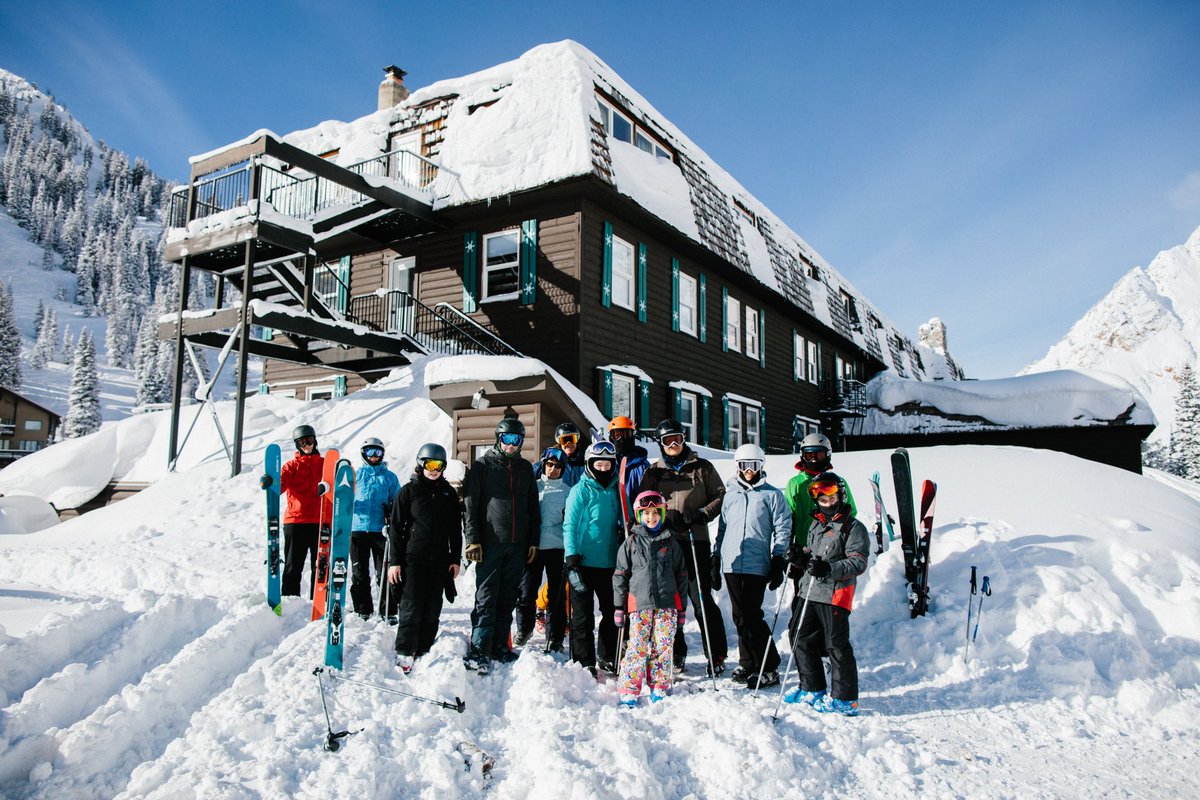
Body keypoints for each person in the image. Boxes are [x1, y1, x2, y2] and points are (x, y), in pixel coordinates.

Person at [637, 418, 728, 676]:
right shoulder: (654, 472)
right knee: (669, 601)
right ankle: (675, 651)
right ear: (661, 444)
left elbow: (720, 496)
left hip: (694, 539)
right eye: (667, 440)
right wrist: (665, 517)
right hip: (666, 542)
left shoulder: (702, 467)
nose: (673, 444)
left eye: (677, 438)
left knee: (700, 599)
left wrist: (701, 514)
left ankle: (716, 653)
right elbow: (644, 504)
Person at [782, 472, 869, 715]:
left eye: (831, 494)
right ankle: (812, 687)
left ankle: (844, 699)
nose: (826, 500)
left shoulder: (853, 527)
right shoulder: (816, 524)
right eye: (820, 495)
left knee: (835, 645)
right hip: (809, 591)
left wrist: (829, 569)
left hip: (835, 593)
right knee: (799, 637)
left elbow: (858, 562)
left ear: (840, 494)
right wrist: (799, 557)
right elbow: (811, 554)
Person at [462, 417, 541, 673]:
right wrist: (472, 539)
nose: (512, 444)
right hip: (490, 543)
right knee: (486, 597)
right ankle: (479, 649)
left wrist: (532, 541)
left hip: (517, 545)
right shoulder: (483, 466)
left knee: (508, 597)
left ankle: (499, 647)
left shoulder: (525, 468)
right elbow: (471, 505)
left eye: (517, 440)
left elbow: (532, 507)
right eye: (507, 438)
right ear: (499, 438)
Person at [711, 443, 791, 689]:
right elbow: (723, 528)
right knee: (739, 615)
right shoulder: (730, 495)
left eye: (753, 466)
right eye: (744, 465)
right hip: (732, 564)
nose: (748, 470)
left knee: (751, 615)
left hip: (757, 563)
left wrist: (779, 559)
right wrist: (716, 557)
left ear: (761, 467)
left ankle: (768, 664)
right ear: (737, 466)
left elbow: (783, 528)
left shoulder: (772, 495)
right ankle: (747, 662)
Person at [387, 443, 463, 673]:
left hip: (439, 560)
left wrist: (455, 559)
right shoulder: (408, 491)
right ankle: (405, 650)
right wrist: (395, 562)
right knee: (412, 605)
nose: (434, 470)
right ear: (421, 464)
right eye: (429, 464)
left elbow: (454, 529)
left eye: (439, 465)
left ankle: (425, 648)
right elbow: (396, 528)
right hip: (414, 559)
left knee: (433, 606)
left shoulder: (449, 493)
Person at [613, 490, 689, 706]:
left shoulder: (671, 543)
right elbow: (620, 575)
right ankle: (629, 687)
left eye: (656, 513)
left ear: (662, 514)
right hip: (639, 604)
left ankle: (659, 685)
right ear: (639, 515)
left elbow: (681, 575)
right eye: (646, 513)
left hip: (667, 605)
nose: (651, 517)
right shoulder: (631, 543)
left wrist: (681, 607)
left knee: (663, 648)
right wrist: (619, 606)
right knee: (637, 647)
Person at [563, 440, 623, 676]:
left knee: (611, 612)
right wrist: (571, 559)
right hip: (584, 562)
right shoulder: (581, 490)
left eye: (607, 465)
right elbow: (570, 525)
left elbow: (625, 518)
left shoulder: (617, 489)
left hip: (610, 562)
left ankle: (608, 655)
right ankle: (584, 660)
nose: (603, 469)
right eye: (598, 464)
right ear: (589, 464)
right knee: (582, 616)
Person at [514, 446, 570, 650]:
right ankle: (524, 629)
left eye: (557, 466)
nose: (553, 469)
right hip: (534, 547)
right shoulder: (533, 487)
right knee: (526, 590)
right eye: (549, 465)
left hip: (558, 548)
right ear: (543, 465)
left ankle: (555, 637)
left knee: (556, 594)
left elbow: (570, 522)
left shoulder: (567, 492)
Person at [350, 436, 401, 618]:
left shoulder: (389, 478)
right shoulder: (356, 476)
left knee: (384, 574)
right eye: (370, 452)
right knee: (360, 573)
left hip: (381, 531)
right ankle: (363, 610)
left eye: (377, 452)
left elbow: (398, 502)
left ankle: (388, 610)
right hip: (358, 530)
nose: (374, 456)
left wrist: (392, 511)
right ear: (363, 454)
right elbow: (345, 498)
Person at [783, 433, 857, 551]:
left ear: (827, 454)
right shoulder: (796, 484)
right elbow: (787, 516)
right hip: (803, 546)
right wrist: (788, 545)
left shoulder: (837, 482)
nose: (813, 460)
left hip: (832, 546)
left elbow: (851, 511)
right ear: (802, 456)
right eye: (809, 455)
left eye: (819, 455)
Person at [275, 424, 323, 597]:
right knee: (293, 565)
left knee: (320, 566)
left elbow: (339, 485)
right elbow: (278, 487)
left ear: (314, 440)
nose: (306, 445)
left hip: (319, 521)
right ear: (297, 445)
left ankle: (318, 601)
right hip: (296, 522)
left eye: (309, 440)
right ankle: (290, 600)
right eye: (302, 442)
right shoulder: (291, 467)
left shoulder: (325, 465)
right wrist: (269, 482)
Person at [606, 416, 649, 526]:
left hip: (636, 522)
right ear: (611, 438)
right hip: (611, 523)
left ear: (633, 436)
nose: (622, 439)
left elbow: (648, 494)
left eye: (626, 434)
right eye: (617, 435)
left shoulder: (643, 465)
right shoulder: (607, 464)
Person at [553, 421, 587, 487]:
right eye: (564, 440)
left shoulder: (586, 462)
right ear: (559, 443)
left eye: (572, 439)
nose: (568, 444)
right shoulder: (551, 462)